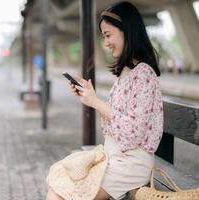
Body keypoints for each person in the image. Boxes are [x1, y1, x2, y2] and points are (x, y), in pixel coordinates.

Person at [46, 1, 163, 200]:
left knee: (60, 193)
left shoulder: (144, 75)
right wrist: (91, 97)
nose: (106, 42)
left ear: (127, 30)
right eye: (104, 36)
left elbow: (132, 135)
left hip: (130, 164)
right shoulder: (126, 73)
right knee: (57, 183)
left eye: (108, 35)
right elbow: (115, 121)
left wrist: (96, 102)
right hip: (114, 158)